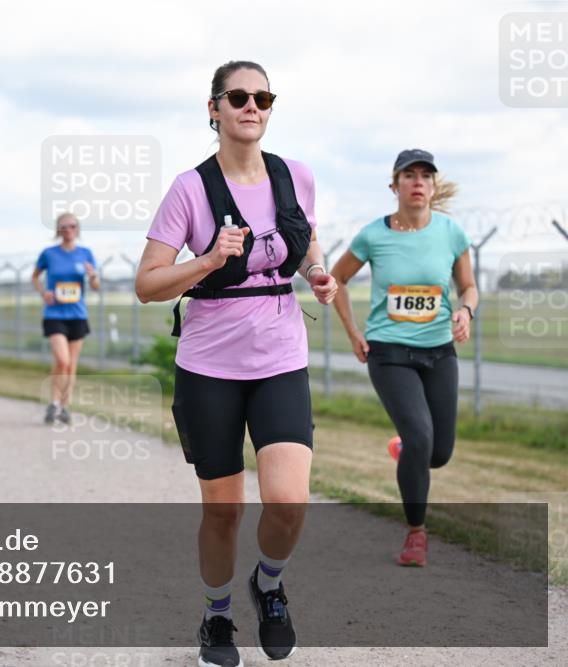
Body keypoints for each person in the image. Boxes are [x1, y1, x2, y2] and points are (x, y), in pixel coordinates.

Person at [135, 60, 337, 666]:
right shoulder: (190, 189)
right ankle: (216, 617)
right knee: (223, 511)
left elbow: (306, 242)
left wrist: (318, 274)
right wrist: (204, 260)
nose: (253, 106)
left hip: (279, 357)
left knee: (288, 500)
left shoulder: (294, 176)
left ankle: (268, 586)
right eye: (239, 96)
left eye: (263, 96)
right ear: (214, 109)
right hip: (210, 367)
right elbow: (147, 285)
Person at [330, 149, 476, 568]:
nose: (417, 182)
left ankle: (407, 449)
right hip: (389, 352)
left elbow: (468, 288)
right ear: (394, 186)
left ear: (432, 186)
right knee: (420, 437)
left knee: (439, 452)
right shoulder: (373, 236)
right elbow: (337, 279)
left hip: (439, 352)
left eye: (425, 176)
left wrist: (466, 311)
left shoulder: (452, 233)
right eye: (408, 175)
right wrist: (353, 332)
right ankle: (416, 534)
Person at [31, 212, 99, 425]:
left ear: (77, 229)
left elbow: (96, 287)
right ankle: (54, 402)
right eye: (63, 226)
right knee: (62, 360)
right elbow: (34, 277)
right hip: (55, 314)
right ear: (58, 231)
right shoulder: (49, 254)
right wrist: (44, 293)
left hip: (77, 315)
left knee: (71, 366)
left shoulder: (86, 253)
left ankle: (64, 406)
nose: (67, 229)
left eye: (71, 226)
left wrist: (93, 276)